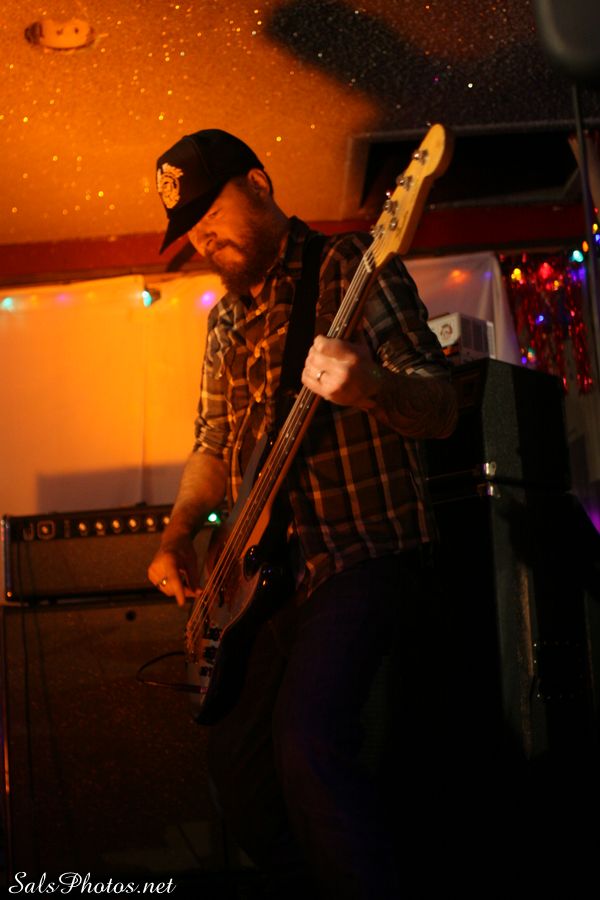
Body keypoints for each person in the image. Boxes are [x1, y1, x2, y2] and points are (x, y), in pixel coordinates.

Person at [148, 128, 457, 898]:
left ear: (258, 183)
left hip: (361, 556)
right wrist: (178, 535)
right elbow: (212, 447)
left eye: (211, 213)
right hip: (263, 584)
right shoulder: (224, 322)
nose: (203, 238)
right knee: (238, 777)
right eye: (191, 229)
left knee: (308, 743)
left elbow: (442, 405)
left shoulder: (351, 265)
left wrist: (372, 388)